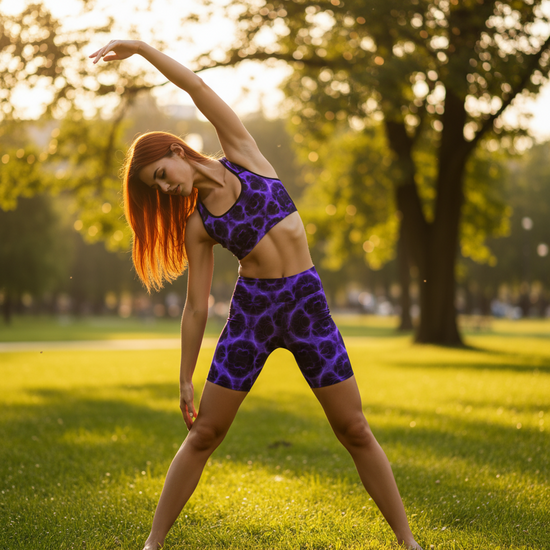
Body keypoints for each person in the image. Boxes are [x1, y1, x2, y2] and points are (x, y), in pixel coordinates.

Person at [90, 40, 423, 550]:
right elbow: (196, 306)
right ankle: (152, 545)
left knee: (354, 428)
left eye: (161, 176)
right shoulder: (199, 226)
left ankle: (408, 543)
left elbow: (197, 86)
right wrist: (184, 378)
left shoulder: (243, 154)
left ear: (177, 151)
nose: (166, 189)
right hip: (253, 316)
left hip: (307, 306)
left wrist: (140, 49)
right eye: (155, 189)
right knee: (205, 435)